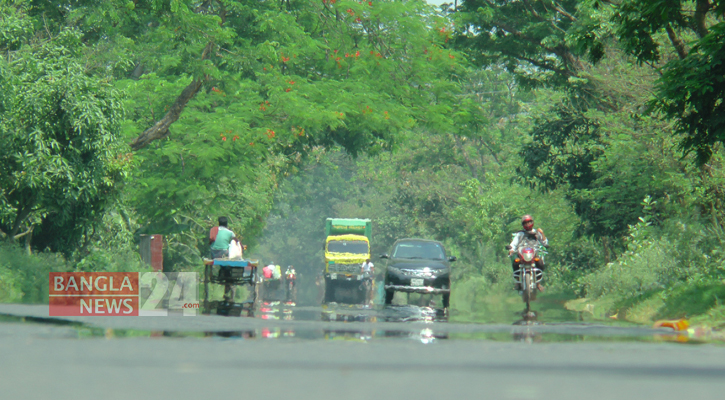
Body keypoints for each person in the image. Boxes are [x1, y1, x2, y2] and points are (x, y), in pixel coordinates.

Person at [508, 214, 548, 291]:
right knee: (515, 262)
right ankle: (517, 283)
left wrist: (542, 233)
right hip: (522, 255)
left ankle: (538, 283)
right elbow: (514, 243)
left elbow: (545, 243)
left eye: (529, 222)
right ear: (523, 224)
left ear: (532, 223)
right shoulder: (520, 234)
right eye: (526, 223)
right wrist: (511, 249)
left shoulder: (537, 233)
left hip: (533, 254)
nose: (528, 224)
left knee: (540, 263)